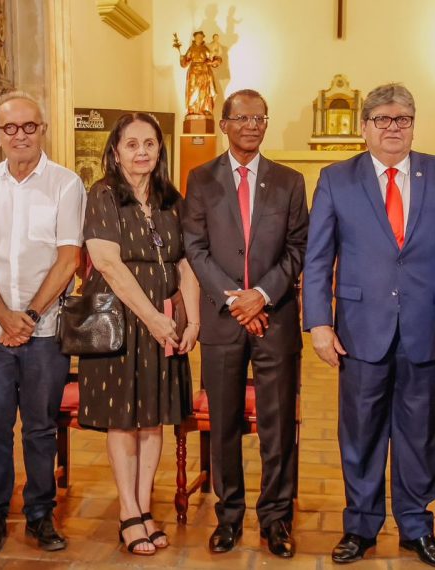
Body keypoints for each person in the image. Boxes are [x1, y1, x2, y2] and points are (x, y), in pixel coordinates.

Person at [303, 83, 435, 568]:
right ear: (364, 127)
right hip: (360, 329)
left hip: (429, 327)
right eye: (382, 119)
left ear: (413, 124)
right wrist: (319, 322)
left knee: (419, 432)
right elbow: (318, 258)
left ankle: (415, 527)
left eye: (401, 119)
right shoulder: (337, 178)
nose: (392, 128)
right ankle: (360, 526)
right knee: (359, 432)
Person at [182, 89, 309, 558]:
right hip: (222, 320)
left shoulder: (289, 181)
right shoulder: (200, 179)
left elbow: (299, 248)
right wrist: (236, 300)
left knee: (278, 426)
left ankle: (276, 518)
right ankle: (229, 516)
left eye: (260, 117)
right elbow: (194, 246)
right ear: (224, 123)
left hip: (274, 320)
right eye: (243, 117)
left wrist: (262, 297)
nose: (252, 125)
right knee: (225, 424)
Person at [0, 91, 84, 555]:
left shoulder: (66, 184)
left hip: (45, 329)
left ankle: (40, 515)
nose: (20, 135)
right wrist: (0, 314)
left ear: (43, 130)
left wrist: (30, 316)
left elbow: (68, 257)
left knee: (39, 428)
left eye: (28, 126)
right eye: (9, 128)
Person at [78, 112, 200, 556]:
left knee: (153, 418)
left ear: (159, 150)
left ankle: (145, 506)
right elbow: (107, 263)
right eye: (132, 144)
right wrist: (151, 318)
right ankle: (128, 512)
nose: (142, 152)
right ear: (115, 150)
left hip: (166, 320)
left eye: (149, 143)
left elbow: (187, 261)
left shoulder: (171, 198)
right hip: (121, 319)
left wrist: (194, 321)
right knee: (122, 418)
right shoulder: (103, 194)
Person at [176, 31, 221, 117]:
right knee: (192, 90)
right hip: (193, 72)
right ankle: (192, 109)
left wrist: (217, 60)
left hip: (203, 72)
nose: (199, 39)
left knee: (203, 90)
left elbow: (211, 59)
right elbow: (185, 63)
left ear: (203, 38)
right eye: (197, 37)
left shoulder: (205, 49)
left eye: (201, 37)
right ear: (195, 38)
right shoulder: (191, 49)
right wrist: (182, 59)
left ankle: (202, 109)